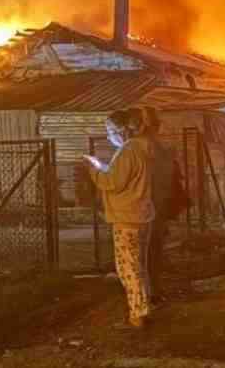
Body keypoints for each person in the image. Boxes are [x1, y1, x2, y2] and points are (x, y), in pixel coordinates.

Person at [87, 108, 155, 328]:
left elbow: (112, 183)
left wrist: (94, 171)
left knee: (128, 268)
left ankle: (137, 315)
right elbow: (125, 178)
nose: (109, 135)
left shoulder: (128, 151)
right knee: (139, 266)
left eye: (110, 130)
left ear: (123, 130)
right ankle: (144, 306)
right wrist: (107, 169)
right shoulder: (144, 148)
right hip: (142, 215)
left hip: (127, 218)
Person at [141, 106, 180, 302]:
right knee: (154, 250)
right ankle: (154, 290)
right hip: (159, 205)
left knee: (146, 251)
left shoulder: (143, 148)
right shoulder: (162, 148)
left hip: (147, 207)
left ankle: (147, 293)